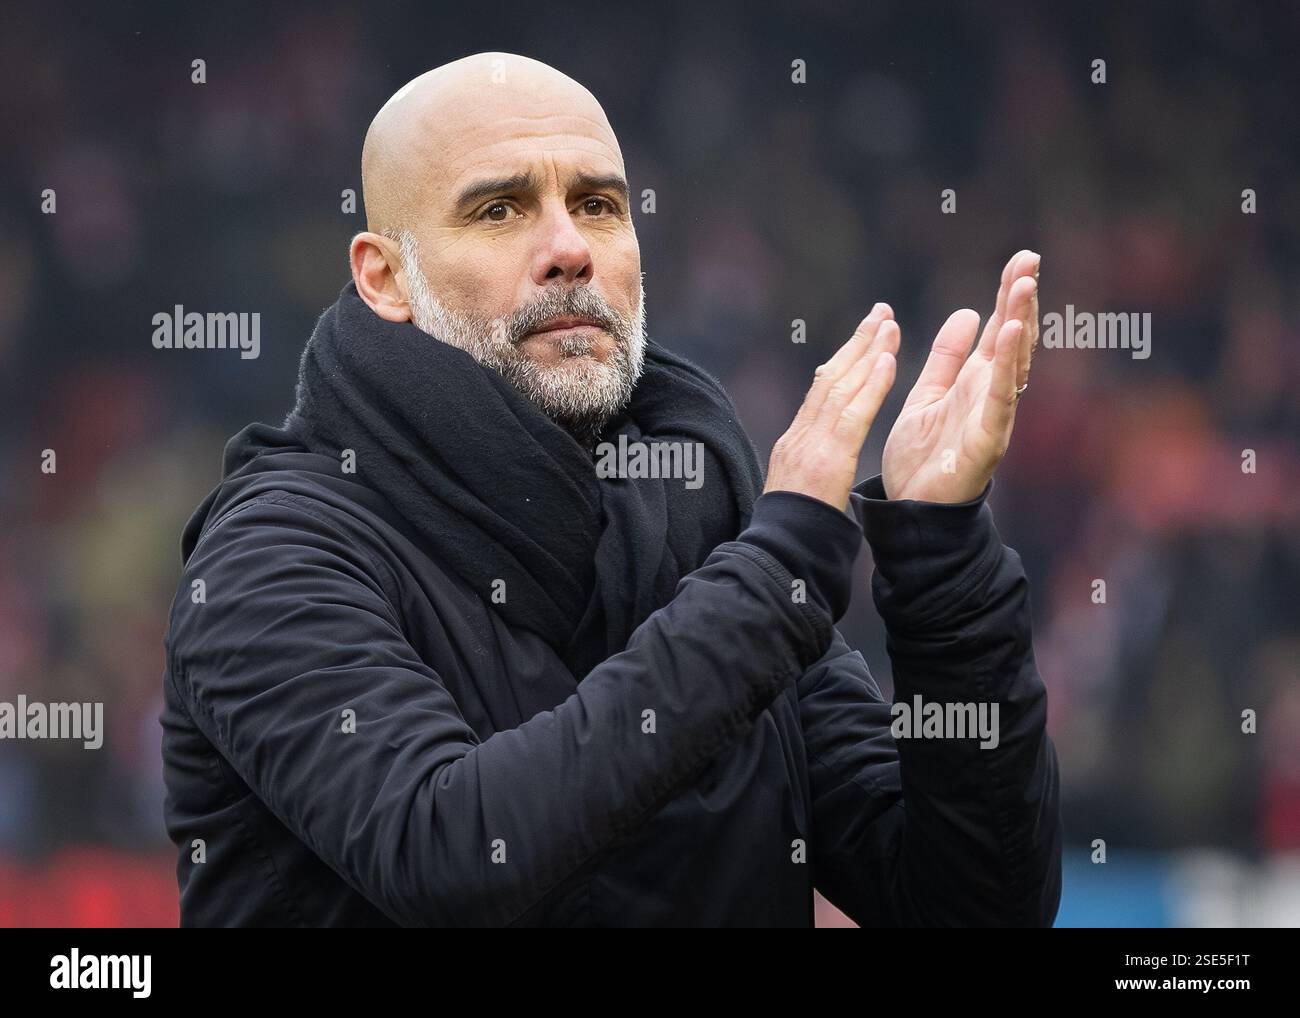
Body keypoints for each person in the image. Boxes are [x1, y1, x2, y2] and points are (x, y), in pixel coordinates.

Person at [160, 51, 1060, 927]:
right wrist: (779, 567)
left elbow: (969, 906)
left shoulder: (710, 518)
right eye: (500, 210)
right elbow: (449, 856)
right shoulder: (269, 557)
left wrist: (939, 554)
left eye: (597, 205)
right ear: (386, 277)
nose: (569, 249)